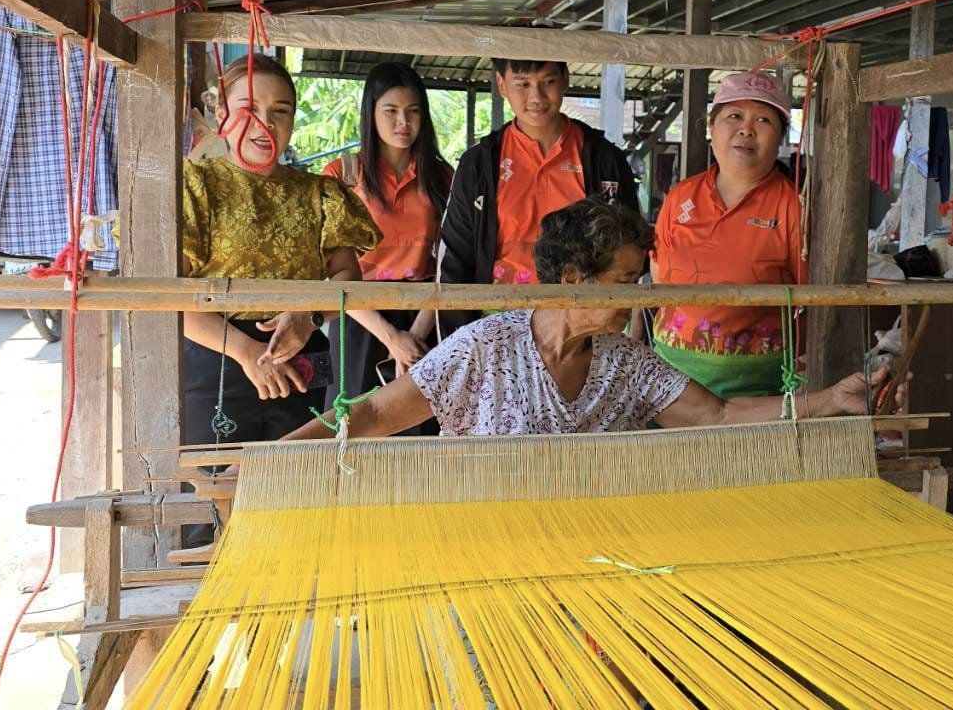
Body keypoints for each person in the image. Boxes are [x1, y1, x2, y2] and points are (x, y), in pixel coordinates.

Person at [287, 198, 886, 440]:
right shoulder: (485, 347)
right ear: (571, 278)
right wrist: (269, 462)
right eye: (626, 281)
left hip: (592, 553)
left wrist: (830, 400)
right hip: (489, 550)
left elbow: (721, 414)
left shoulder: (625, 363)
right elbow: (369, 413)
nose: (640, 296)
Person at [179, 53, 381, 471]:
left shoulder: (321, 194)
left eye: (280, 111)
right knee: (215, 499)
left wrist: (308, 316)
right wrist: (246, 351)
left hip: (302, 358)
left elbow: (348, 275)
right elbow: (174, 298)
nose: (265, 123)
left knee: (298, 495)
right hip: (219, 356)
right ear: (221, 114)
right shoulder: (195, 187)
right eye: (248, 109)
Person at [437, 58, 638, 335]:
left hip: (583, 323)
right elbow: (455, 258)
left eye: (548, 82)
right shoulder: (479, 164)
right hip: (496, 324)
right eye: (523, 84)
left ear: (566, 78)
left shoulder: (605, 160)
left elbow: (628, 250)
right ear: (501, 84)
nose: (537, 97)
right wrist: (455, 344)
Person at [651, 70, 805, 398]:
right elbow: (660, 275)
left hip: (758, 387)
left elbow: (814, 300)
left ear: (780, 138)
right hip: (672, 379)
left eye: (763, 120)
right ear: (711, 127)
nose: (746, 129)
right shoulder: (680, 197)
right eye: (734, 116)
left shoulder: (794, 207)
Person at [321, 64, 451, 430]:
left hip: (427, 314)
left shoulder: (442, 178)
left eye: (413, 112)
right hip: (361, 318)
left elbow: (450, 262)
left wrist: (416, 335)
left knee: (424, 426)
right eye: (390, 111)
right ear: (371, 112)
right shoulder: (343, 176)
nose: (403, 123)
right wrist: (391, 337)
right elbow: (331, 270)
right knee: (352, 424)